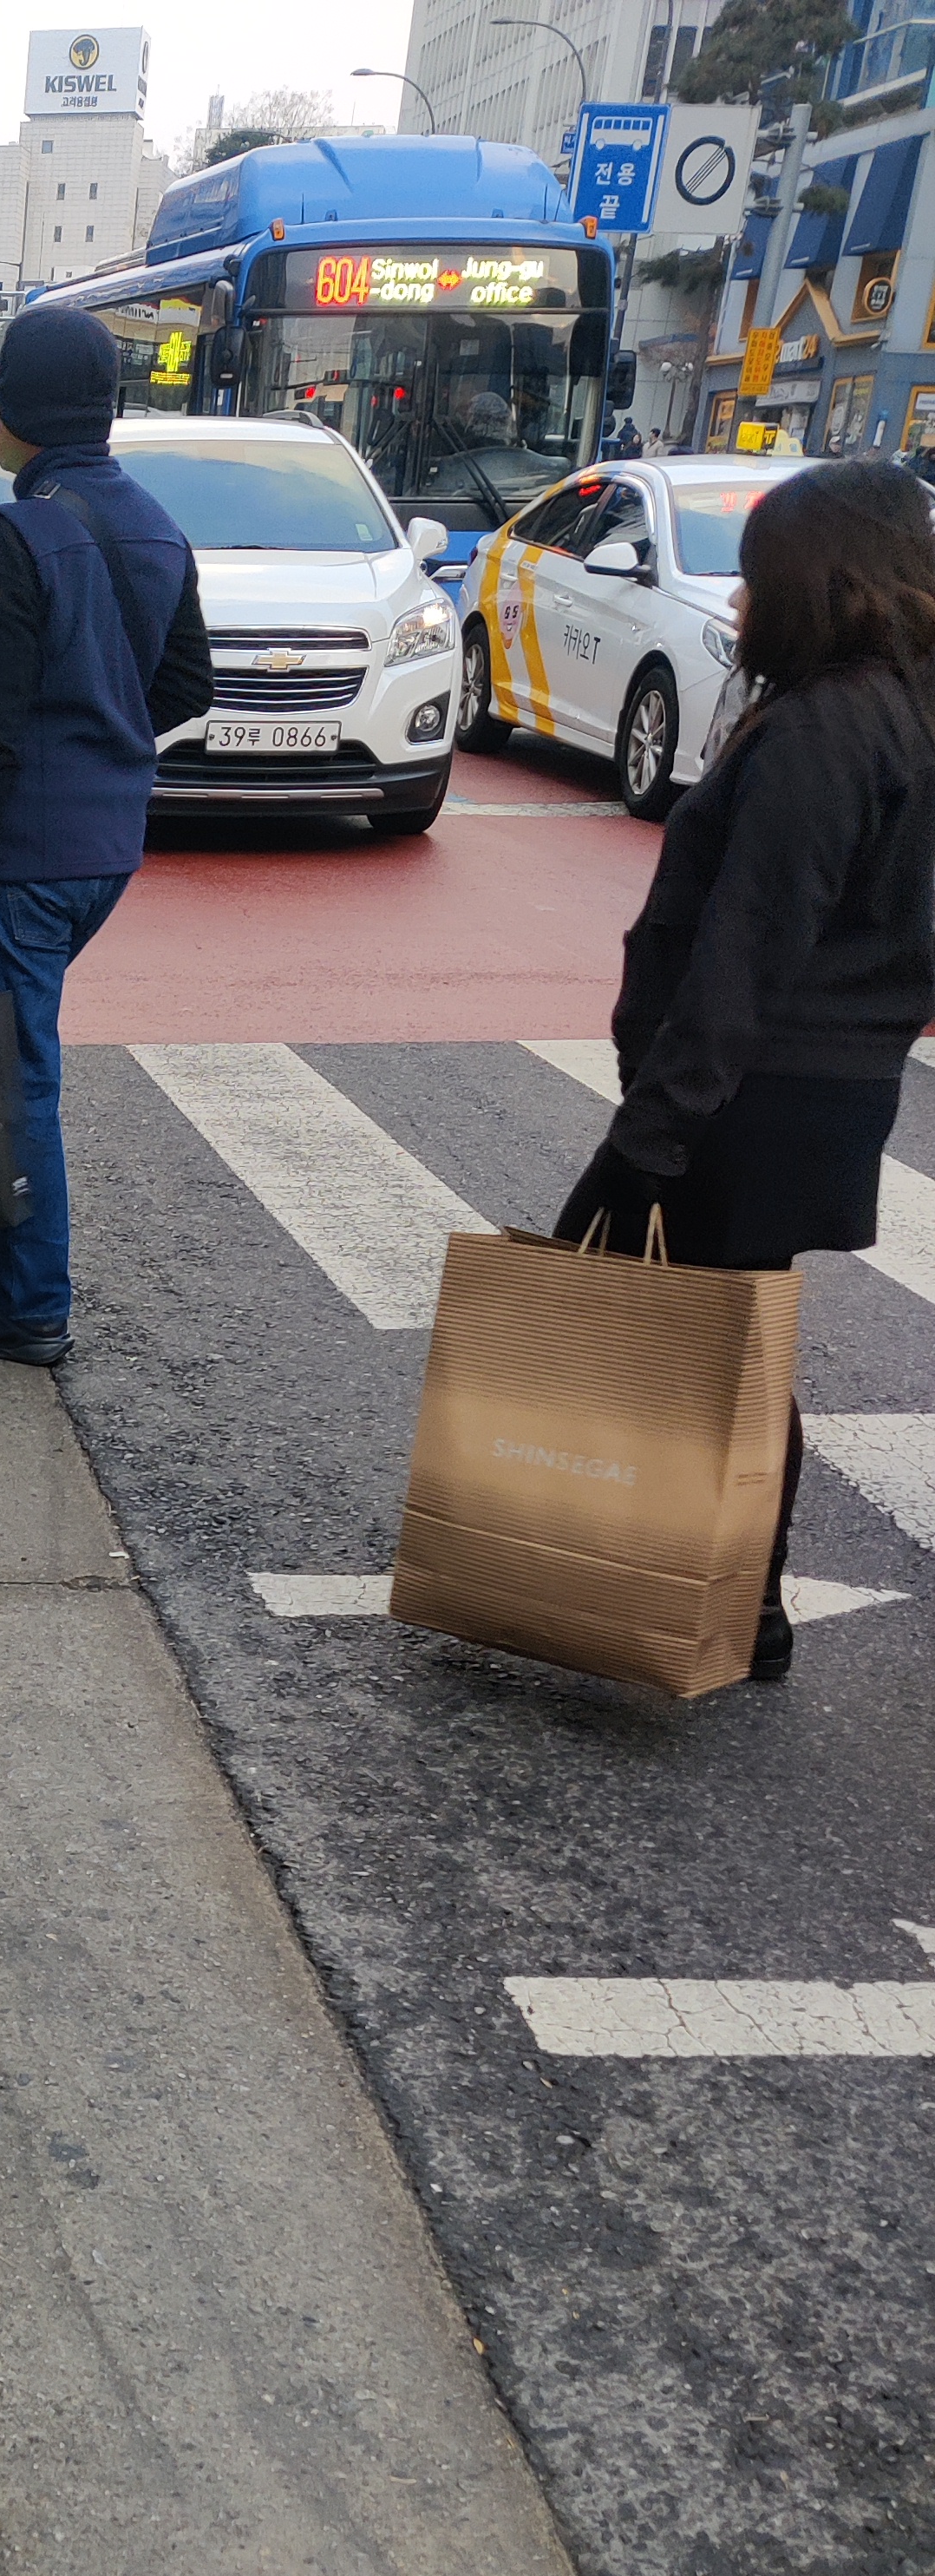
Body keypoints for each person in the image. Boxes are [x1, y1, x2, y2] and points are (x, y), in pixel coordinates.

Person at [552, 457, 935, 1680]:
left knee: (707, 1346)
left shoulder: (827, 729)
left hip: (748, 1094)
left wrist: (646, 1142)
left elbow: (745, 952)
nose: (739, 603)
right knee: (733, 1342)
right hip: (825, 1085)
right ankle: (732, 1601)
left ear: (821, 585)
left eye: (758, 579)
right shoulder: (906, 712)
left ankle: (707, 1600)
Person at [0, 303, 214, 1362]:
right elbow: (188, 683)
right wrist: (102, 740)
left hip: (25, 857)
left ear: (21, 416)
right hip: (107, 848)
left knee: (17, 1075)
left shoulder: (12, 537)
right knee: (9, 1052)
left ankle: (31, 1305)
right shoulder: (157, 525)